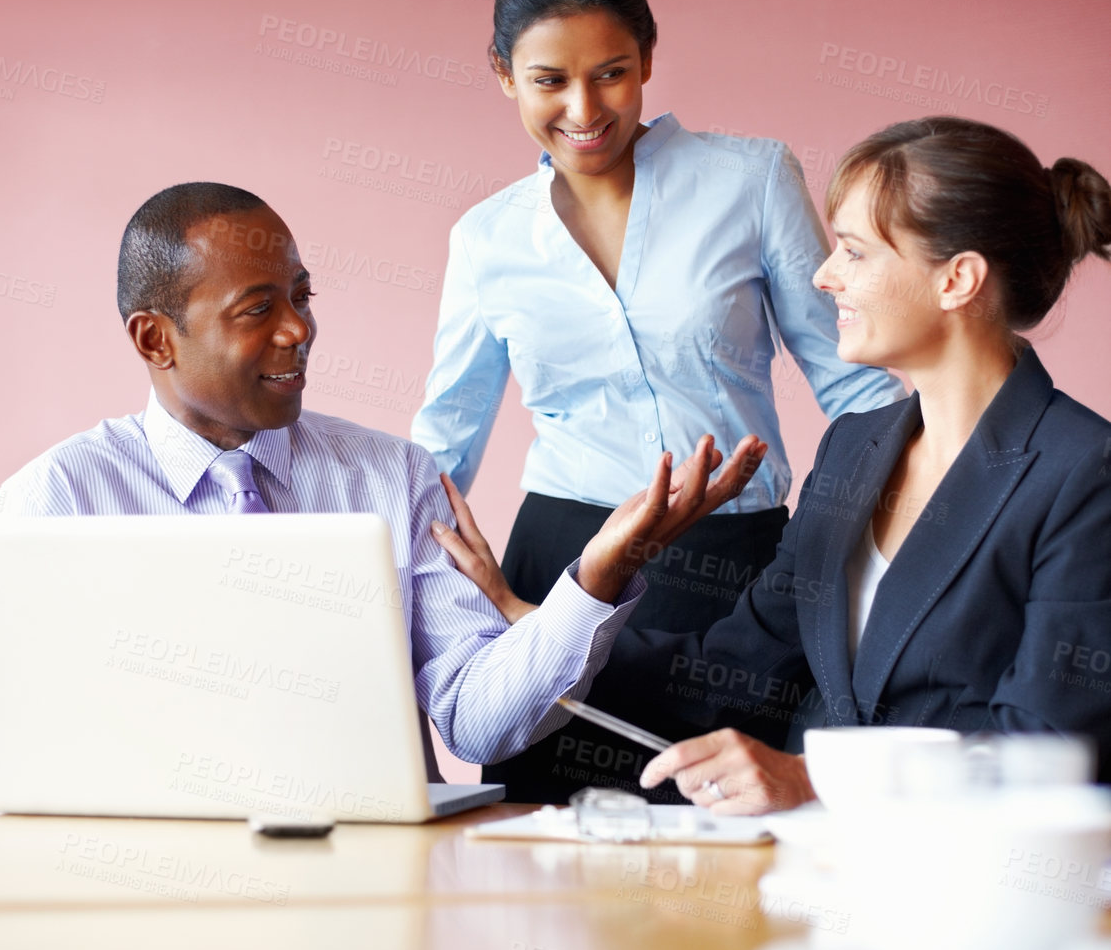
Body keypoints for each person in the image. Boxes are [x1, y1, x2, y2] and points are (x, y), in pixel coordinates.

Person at [435, 117, 1111, 800]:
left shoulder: (1084, 473)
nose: (822, 275)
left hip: (975, 883)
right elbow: (731, 671)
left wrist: (813, 780)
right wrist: (548, 619)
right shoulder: (854, 449)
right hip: (814, 872)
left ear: (958, 279)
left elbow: (1046, 746)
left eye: (853, 251)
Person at [0, 183, 764, 772]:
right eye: (257, 309)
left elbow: (478, 720)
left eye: (301, 296)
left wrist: (595, 579)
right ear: (155, 339)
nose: (299, 329)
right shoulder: (56, 503)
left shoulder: (391, 475)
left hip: (377, 885)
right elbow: (34, 743)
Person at [411, 0, 903, 800]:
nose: (584, 107)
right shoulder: (486, 237)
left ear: (648, 59)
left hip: (735, 568)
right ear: (502, 73)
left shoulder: (750, 179)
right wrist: (390, 586)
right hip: (561, 569)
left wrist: (856, 539)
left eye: (612, 72)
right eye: (548, 80)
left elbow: (856, 383)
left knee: (735, 849)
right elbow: (444, 437)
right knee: (548, 856)